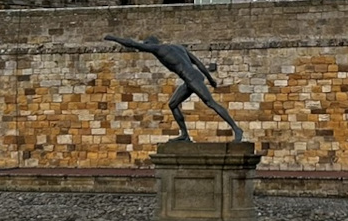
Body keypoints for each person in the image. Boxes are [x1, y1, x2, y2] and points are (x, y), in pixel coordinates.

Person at [105, 35, 245, 143]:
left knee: (210, 103)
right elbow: (198, 63)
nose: (147, 49)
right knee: (173, 104)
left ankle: (236, 129)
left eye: (147, 46)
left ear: (151, 44)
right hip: (192, 77)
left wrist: (113, 38)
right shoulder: (179, 47)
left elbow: (133, 44)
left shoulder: (158, 49)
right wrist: (210, 79)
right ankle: (184, 135)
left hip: (190, 78)